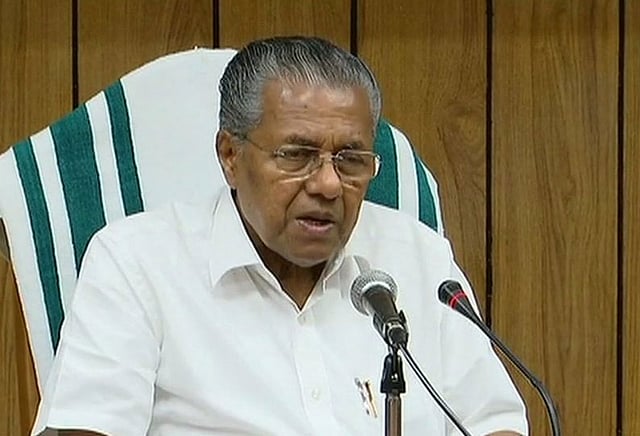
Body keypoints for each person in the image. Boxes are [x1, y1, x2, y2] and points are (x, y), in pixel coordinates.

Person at [32, 36, 528, 435]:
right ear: (230, 156)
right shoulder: (137, 263)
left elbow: (492, 423)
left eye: (351, 160)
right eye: (297, 156)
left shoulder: (419, 259)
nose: (329, 184)